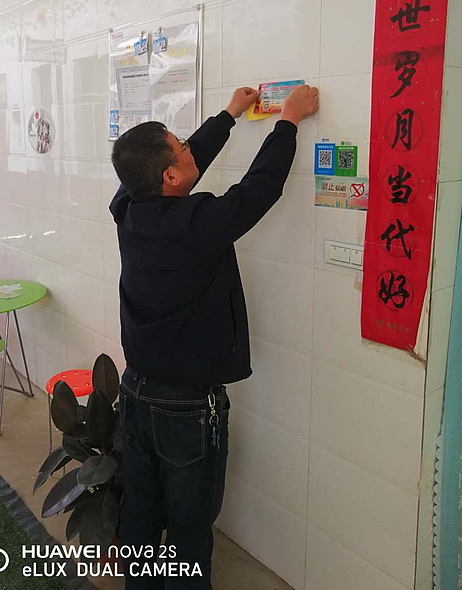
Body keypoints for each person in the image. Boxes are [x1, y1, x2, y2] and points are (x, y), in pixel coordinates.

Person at [109, 84, 319, 588]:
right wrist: (288, 121)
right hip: (183, 408)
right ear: (169, 176)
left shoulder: (128, 208)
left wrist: (229, 114)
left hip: (135, 392)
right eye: (181, 146)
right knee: (188, 528)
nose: (189, 148)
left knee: (141, 513)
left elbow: (182, 167)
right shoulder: (194, 225)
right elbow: (257, 190)